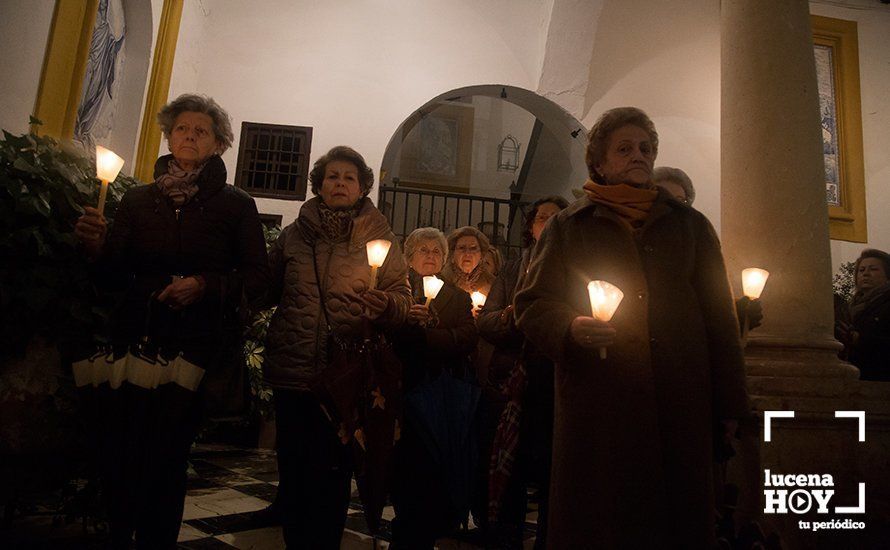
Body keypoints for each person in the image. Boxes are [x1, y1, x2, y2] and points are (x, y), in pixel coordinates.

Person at [514, 107, 749, 548]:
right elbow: (531, 303)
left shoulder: (690, 226)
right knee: (604, 523)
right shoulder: (569, 227)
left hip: (679, 403)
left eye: (645, 148)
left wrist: (730, 404)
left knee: (675, 524)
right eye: (624, 148)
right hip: (600, 408)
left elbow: (720, 317)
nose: (638, 155)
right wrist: (570, 327)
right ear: (599, 162)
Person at [74, 93, 269, 547]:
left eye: (201, 131)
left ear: (218, 144)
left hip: (194, 346)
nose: (189, 136)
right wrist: (96, 247)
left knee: (167, 454)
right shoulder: (139, 200)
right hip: (136, 339)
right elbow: (111, 277)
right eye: (182, 128)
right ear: (168, 135)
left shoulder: (235, 206)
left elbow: (258, 278)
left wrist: (204, 284)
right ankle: (120, 533)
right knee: (123, 450)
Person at [262, 146, 411, 548]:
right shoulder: (294, 235)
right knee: (294, 471)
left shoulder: (380, 239)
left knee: (333, 472)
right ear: (319, 184)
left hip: (345, 377)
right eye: (332, 176)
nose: (340, 183)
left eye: (349, 177)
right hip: (295, 372)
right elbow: (265, 290)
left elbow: (402, 297)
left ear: (362, 187)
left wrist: (386, 306)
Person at [476, 195, 568, 549]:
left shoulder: (571, 268)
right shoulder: (513, 268)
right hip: (508, 384)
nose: (546, 222)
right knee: (506, 474)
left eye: (555, 217)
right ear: (531, 226)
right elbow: (486, 321)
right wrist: (514, 317)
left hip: (549, 385)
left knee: (550, 476)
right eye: (541, 217)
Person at [389, 227, 478, 549]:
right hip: (403, 391)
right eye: (423, 250)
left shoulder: (457, 297)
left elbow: (466, 338)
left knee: (434, 463)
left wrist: (431, 329)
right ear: (409, 257)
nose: (430, 256)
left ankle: (432, 524)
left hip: (439, 394)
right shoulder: (398, 292)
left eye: (437, 251)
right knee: (406, 466)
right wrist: (404, 321)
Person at [653, 165, 763, 334]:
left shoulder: (699, 242)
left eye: (680, 201)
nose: (674, 208)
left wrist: (737, 313)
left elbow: (708, 298)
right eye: (666, 199)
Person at [837, 249, 890, 381]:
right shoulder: (851, 307)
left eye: (873, 269)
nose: (866, 274)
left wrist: (860, 339)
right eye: (861, 270)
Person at [441, 226, 496, 299]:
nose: (467, 254)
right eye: (462, 248)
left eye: (473, 248)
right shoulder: (441, 281)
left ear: (481, 255)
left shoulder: (493, 284)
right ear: (452, 254)